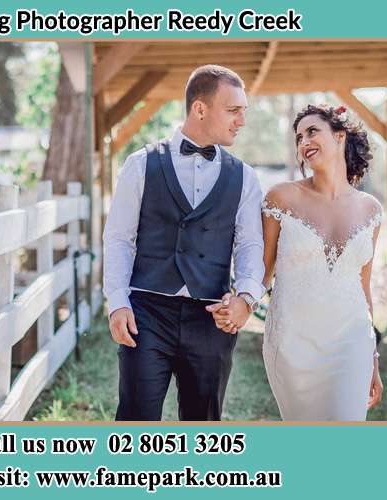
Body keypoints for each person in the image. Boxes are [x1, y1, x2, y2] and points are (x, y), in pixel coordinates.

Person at [103, 65, 266, 421]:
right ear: (200, 109)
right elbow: (118, 238)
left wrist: (247, 297)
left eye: (244, 111)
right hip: (145, 314)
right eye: (233, 110)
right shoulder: (140, 164)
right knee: (135, 419)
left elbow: (251, 245)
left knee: (203, 425)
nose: (241, 120)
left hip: (211, 318)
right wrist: (117, 302)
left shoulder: (246, 177)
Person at [215, 104, 383, 420]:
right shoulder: (281, 198)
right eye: (299, 137)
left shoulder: (371, 210)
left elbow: (363, 287)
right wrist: (242, 303)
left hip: (352, 341)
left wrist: (372, 356)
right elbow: (262, 271)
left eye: (312, 132)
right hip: (293, 344)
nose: (303, 142)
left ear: (340, 136)